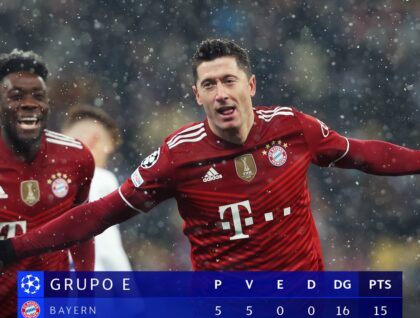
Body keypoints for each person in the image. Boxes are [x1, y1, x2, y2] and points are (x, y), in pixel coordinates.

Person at [1, 38, 420, 272]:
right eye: (209, 85)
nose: (221, 93)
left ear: (250, 85)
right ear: (196, 95)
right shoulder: (178, 155)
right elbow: (100, 213)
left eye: (228, 80)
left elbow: (365, 154)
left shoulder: (292, 128)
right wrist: (16, 248)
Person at [0, 50, 94, 318]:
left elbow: (82, 229)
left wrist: (85, 299)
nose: (29, 103)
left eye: (38, 96)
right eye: (16, 95)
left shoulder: (76, 158)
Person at [62, 104, 132, 271]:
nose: (105, 163)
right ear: (94, 140)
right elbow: (108, 251)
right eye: (107, 154)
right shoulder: (98, 177)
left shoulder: (29, 177)